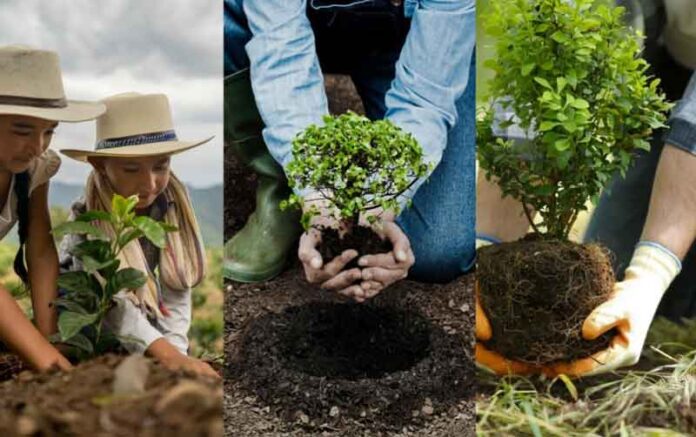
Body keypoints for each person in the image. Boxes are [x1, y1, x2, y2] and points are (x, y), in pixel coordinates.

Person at [476, 0, 696, 376]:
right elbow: (562, 39)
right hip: (671, 66)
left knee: (660, 281)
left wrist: (652, 271)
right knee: (610, 293)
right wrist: (483, 246)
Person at [224, 0, 477, 300]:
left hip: (406, 41)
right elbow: (282, 55)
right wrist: (317, 194)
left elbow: (425, 98)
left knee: (438, 250)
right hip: (295, 26)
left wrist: (384, 197)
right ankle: (282, 187)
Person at [59, 92, 219, 378]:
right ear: (101, 166)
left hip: (137, 321)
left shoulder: (171, 205)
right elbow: (113, 303)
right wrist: (166, 355)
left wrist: (177, 355)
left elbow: (176, 284)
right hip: (84, 322)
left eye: (161, 166)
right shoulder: (89, 217)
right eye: (132, 168)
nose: (150, 183)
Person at [0, 45, 105, 371]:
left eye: (48, 131)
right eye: (22, 130)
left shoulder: (36, 168)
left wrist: (51, 335)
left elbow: (41, 247)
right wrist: (51, 365)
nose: (37, 146)